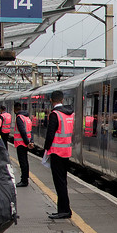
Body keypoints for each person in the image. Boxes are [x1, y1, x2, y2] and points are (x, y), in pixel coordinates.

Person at [43, 90, 74, 219]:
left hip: (56, 152)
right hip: (66, 151)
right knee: (63, 181)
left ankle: (64, 211)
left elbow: (50, 134)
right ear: (62, 100)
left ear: (51, 100)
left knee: (59, 182)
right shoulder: (70, 114)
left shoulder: (55, 114)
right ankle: (65, 209)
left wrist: (46, 149)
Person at [13, 104, 34, 187]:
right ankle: (25, 178)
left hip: (21, 143)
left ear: (15, 110)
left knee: (23, 162)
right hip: (26, 143)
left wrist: (26, 142)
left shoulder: (19, 118)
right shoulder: (27, 118)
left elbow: (22, 131)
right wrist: (30, 141)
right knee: (25, 161)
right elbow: (30, 131)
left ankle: (24, 180)